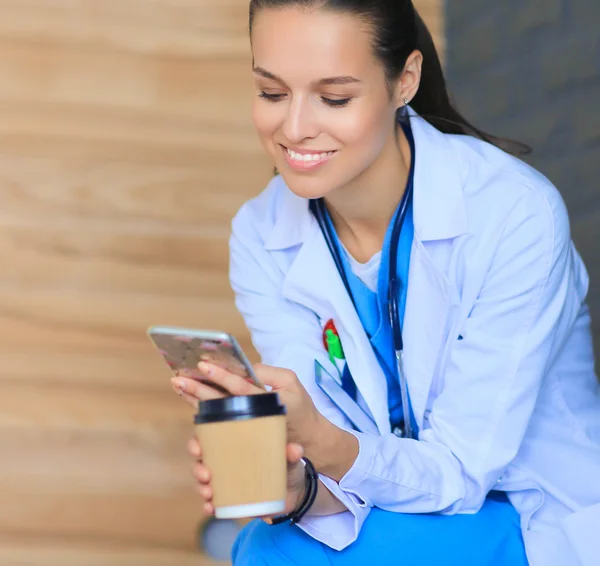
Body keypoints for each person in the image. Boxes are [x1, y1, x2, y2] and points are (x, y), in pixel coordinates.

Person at [171, 1, 600, 564]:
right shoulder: (261, 233)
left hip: (523, 510)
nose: (294, 127)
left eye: (335, 97)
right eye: (272, 92)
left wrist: (321, 445)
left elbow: (461, 473)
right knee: (266, 543)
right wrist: (296, 486)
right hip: (385, 503)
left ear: (406, 81)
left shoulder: (514, 213)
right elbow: (334, 461)